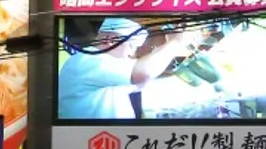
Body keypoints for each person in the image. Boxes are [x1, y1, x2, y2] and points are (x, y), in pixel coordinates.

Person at [57, 17, 200, 120]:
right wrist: (176, 42)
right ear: (110, 40)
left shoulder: (104, 64)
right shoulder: (89, 60)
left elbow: (139, 84)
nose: (131, 54)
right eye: (131, 46)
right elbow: (143, 73)